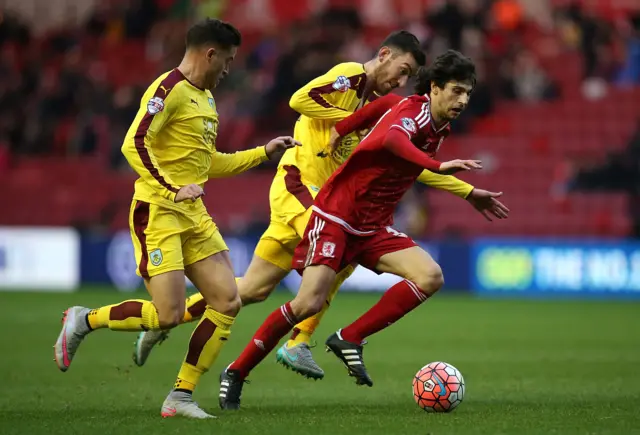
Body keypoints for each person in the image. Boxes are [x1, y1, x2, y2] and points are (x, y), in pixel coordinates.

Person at [134, 32, 506, 381]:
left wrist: (466, 191)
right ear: (384, 56)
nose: (400, 82)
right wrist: (348, 123)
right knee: (340, 251)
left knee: (249, 290)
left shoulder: (381, 108)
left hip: (320, 196)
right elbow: (299, 100)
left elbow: (411, 164)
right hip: (300, 184)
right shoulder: (349, 77)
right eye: (402, 71)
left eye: (408, 77)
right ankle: (298, 342)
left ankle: (168, 320)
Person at [218, 50, 504, 408]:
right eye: (456, 91)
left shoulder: (433, 122)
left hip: (373, 226)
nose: (462, 100)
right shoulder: (414, 113)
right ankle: (236, 372)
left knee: (430, 276)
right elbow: (392, 140)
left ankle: (349, 337)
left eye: (467, 93)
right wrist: (438, 165)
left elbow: (379, 106)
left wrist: (341, 130)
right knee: (307, 303)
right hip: (337, 216)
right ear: (435, 88)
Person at [52, 18, 298, 419]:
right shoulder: (168, 90)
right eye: (228, 61)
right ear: (210, 53)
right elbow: (134, 143)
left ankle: (180, 395)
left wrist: (262, 153)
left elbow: (207, 163)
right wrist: (171, 189)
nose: (228, 70)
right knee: (167, 314)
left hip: (193, 215)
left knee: (227, 300)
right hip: (158, 212)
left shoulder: (206, 98)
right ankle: (84, 319)